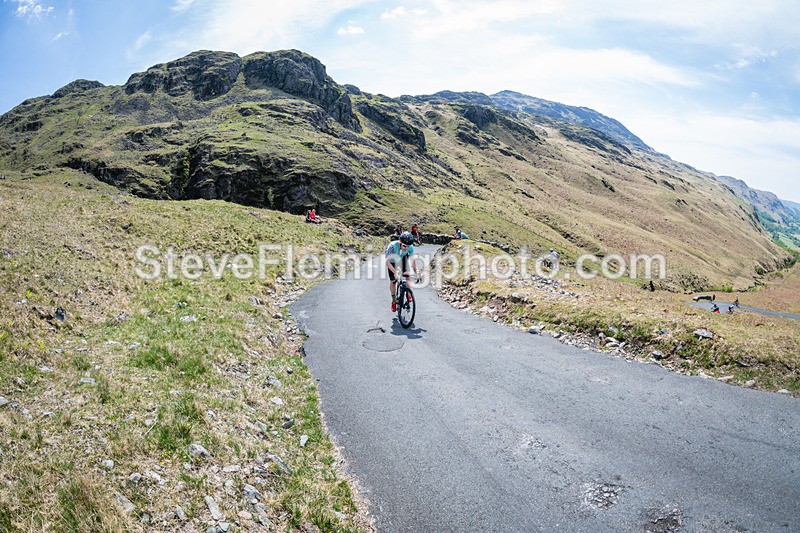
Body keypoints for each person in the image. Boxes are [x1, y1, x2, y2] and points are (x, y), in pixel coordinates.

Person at [386, 231, 419, 312]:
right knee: (393, 281)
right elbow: (387, 262)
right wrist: (394, 272)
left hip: (402, 259)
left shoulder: (410, 248)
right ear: (400, 242)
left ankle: (408, 293)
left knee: (408, 275)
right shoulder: (392, 246)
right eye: (404, 246)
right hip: (392, 262)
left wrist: (417, 271)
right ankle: (394, 300)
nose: (406, 248)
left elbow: (413, 260)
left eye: (408, 246)